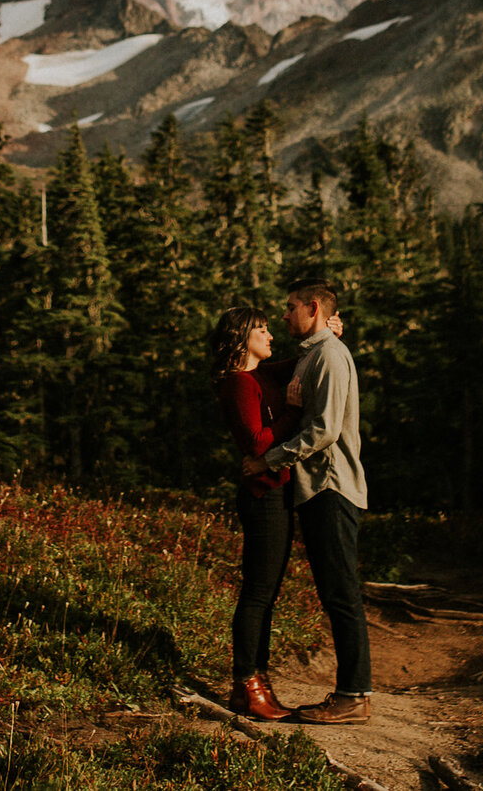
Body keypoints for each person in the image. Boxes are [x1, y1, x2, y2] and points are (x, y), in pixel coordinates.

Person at [243, 279, 371, 725]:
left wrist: (267, 460)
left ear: (312, 308)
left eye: (291, 307)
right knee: (336, 593)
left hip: (331, 487)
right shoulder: (317, 353)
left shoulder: (330, 358)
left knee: (341, 595)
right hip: (318, 488)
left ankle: (354, 695)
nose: (284, 315)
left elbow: (325, 432)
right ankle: (351, 693)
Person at [209, 304, 297, 721]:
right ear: (243, 337)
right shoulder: (238, 383)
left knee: (267, 593)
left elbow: (296, 362)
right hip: (263, 495)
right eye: (262, 330)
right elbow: (260, 444)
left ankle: (254, 682)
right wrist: (293, 413)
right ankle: (247, 682)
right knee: (258, 593)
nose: (270, 336)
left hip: (277, 493)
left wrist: (330, 334)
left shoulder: (260, 374)